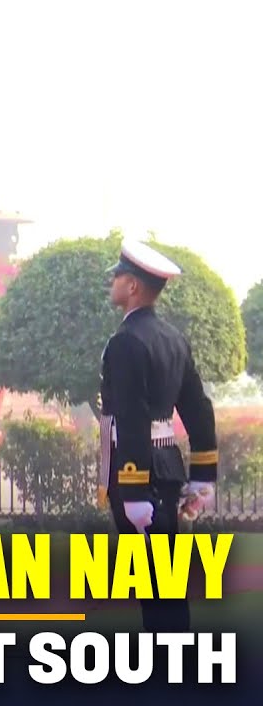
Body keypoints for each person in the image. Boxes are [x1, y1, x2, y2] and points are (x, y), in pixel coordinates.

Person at [100, 238, 218, 632]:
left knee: (153, 581)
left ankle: (165, 665)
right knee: (164, 578)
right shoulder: (172, 338)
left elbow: (131, 418)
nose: (112, 281)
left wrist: (132, 490)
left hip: (140, 471)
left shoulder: (125, 342)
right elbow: (198, 408)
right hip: (167, 464)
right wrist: (202, 475)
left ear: (133, 286)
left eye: (118, 276)